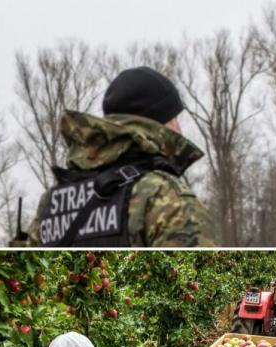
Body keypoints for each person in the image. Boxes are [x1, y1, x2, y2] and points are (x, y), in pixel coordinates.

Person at [23, 66, 217, 247]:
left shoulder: (52, 205)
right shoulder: (164, 195)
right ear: (162, 124)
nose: (180, 129)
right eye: (175, 119)